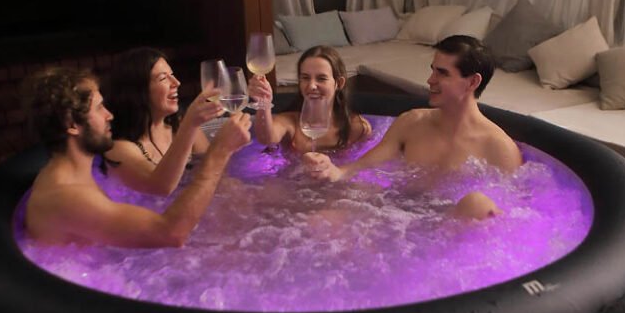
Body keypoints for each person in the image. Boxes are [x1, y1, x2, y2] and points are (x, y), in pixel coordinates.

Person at [23, 66, 251, 247]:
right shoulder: (65, 197)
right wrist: (220, 152)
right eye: (99, 108)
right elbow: (171, 234)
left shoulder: (75, 175)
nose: (109, 115)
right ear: (71, 124)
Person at [302, 35, 522, 219]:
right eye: (433, 70)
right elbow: (354, 170)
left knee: (477, 204)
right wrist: (331, 169)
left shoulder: (498, 147)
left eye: (442, 73)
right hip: (398, 219)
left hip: (447, 233)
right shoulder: (412, 123)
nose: (430, 80)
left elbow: (517, 215)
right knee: (323, 219)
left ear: (472, 82)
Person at [102, 47, 225, 196]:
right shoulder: (118, 149)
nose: (176, 83)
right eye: (163, 78)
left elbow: (215, 175)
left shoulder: (179, 126)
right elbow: (160, 187)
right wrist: (191, 125)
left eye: (172, 75)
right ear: (138, 91)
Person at [248, 45, 372, 153]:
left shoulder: (357, 128)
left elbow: (364, 167)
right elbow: (266, 138)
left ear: (339, 83)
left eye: (321, 78)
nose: (312, 86)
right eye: (305, 78)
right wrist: (264, 102)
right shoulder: (290, 122)